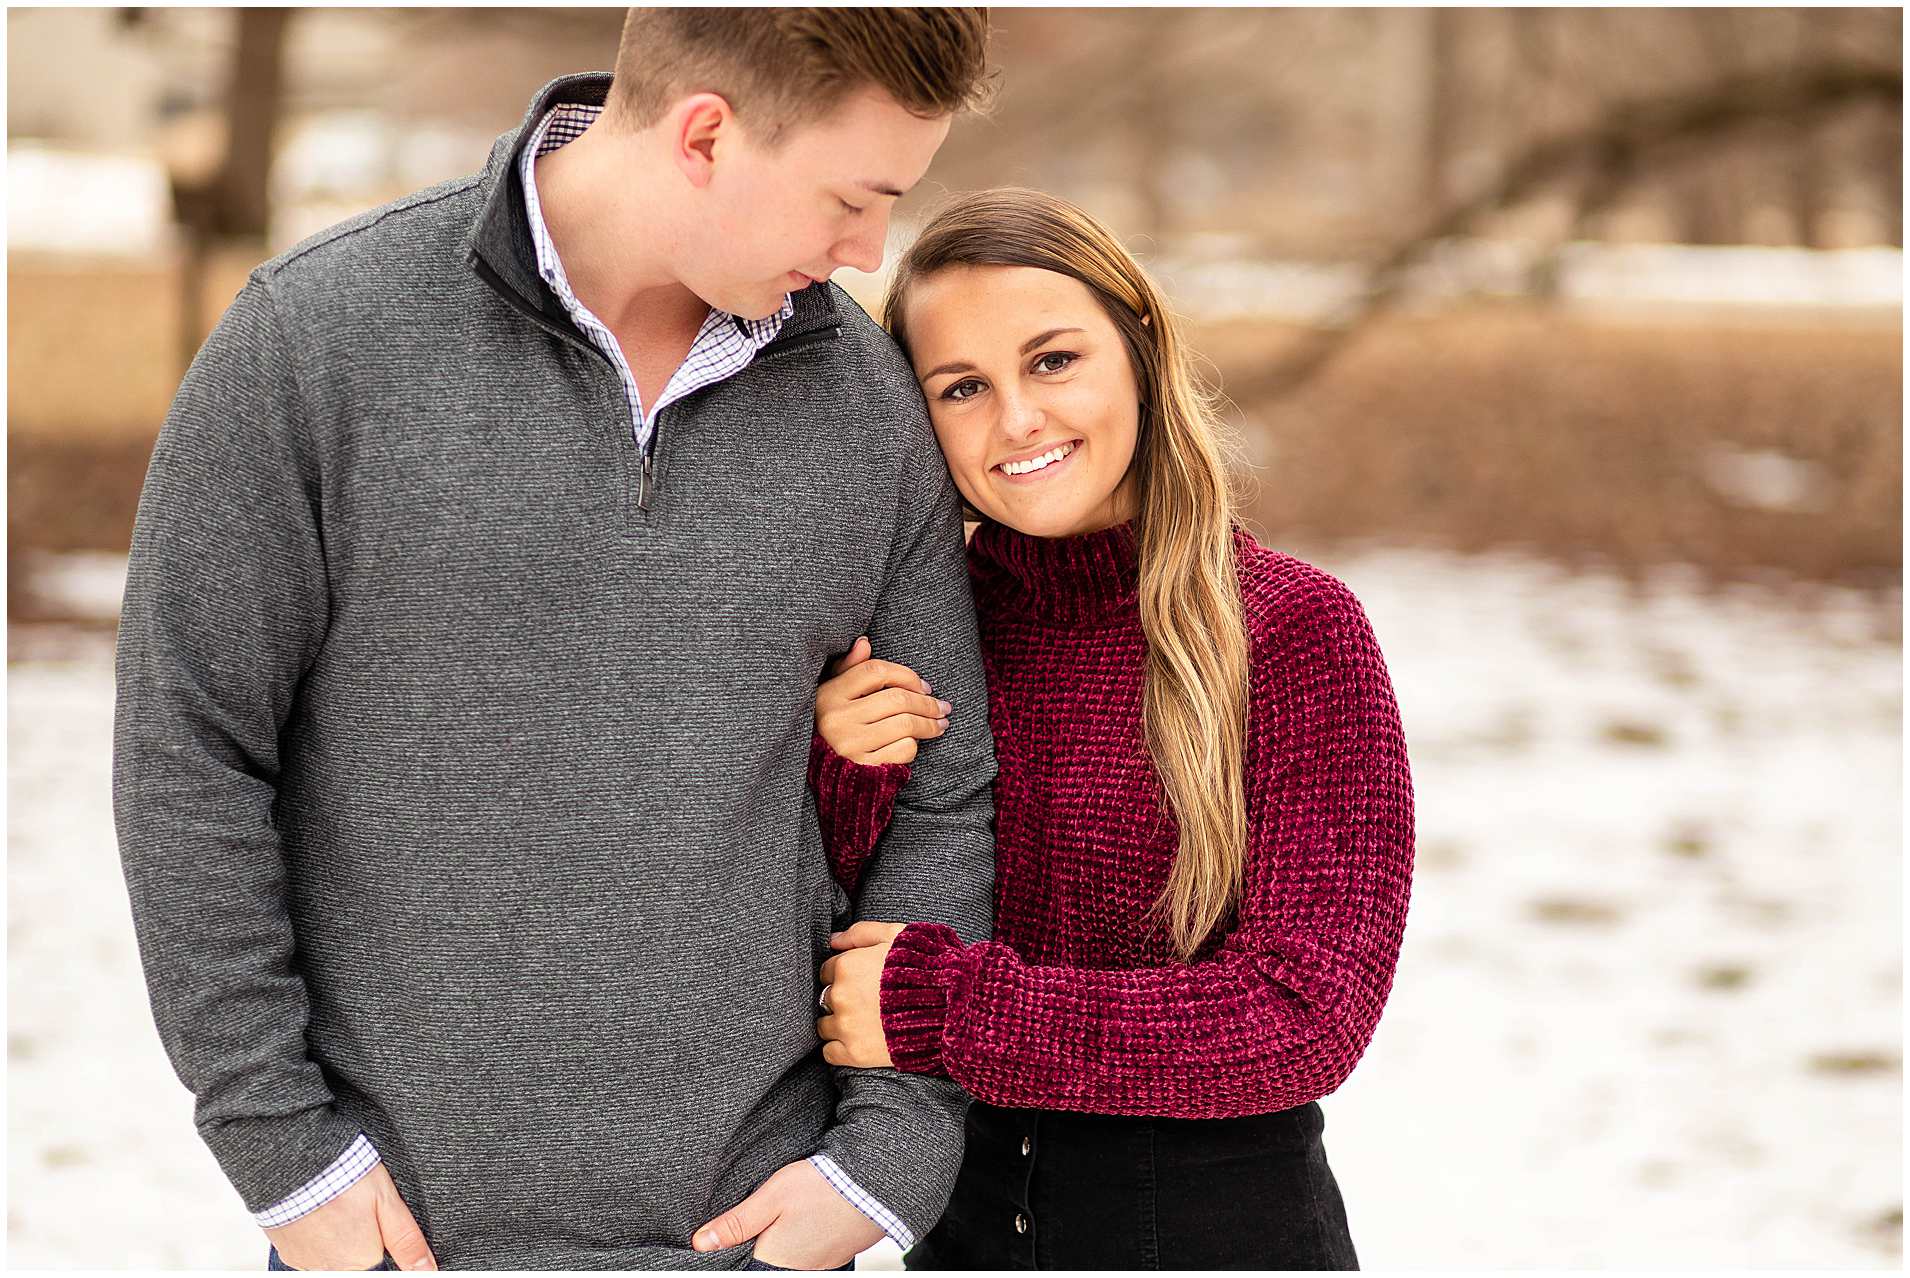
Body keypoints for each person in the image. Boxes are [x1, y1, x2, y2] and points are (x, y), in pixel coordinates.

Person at [112, 11, 1000, 1271]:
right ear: (704, 135)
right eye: (852, 200)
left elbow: (944, 789)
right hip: (395, 1239)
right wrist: (282, 1150)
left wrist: (887, 1158)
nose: (867, 253)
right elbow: (191, 751)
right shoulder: (314, 342)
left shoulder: (861, 404)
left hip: (747, 1238)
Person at [802, 188, 1417, 1269]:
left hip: (1216, 1234)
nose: (1019, 421)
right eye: (962, 387)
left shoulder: (1291, 631)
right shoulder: (915, 633)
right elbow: (822, 951)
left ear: (1135, 349)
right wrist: (840, 776)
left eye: (1052, 362)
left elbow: (1304, 1015)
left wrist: (959, 1011)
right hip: (962, 1227)